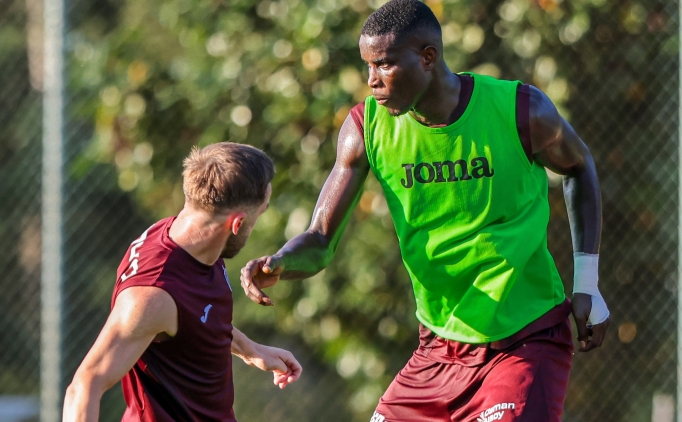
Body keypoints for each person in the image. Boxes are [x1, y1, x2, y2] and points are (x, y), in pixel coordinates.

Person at [241, 0, 610, 421]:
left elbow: (578, 166)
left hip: (524, 341)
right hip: (437, 349)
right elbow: (321, 239)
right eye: (367, 66)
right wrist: (280, 262)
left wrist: (587, 283)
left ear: (428, 58)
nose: (372, 80)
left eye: (384, 64)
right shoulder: (366, 129)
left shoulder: (520, 110)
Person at [63, 142, 302, 422]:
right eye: (259, 213)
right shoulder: (152, 296)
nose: (255, 224)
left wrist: (250, 349)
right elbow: (85, 385)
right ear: (237, 224)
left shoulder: (192, 241)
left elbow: (193, 319)